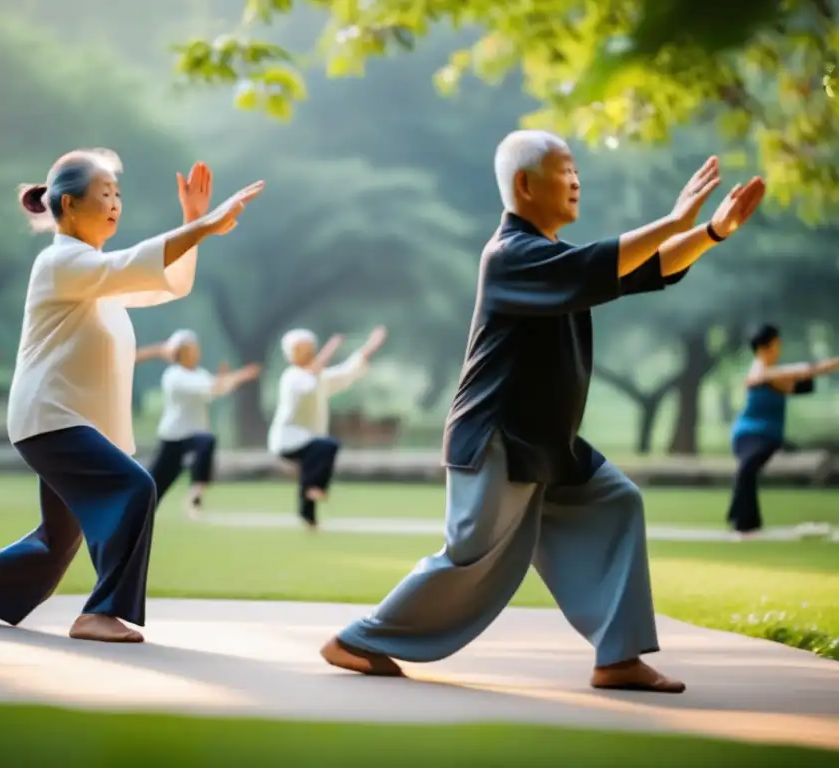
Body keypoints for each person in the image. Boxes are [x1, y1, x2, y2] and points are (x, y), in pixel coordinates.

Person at [320, 130, 766, 692]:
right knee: (470, 558)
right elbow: (610, 262)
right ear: (526, 185)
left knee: (615, 503)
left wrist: (710, 232)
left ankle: (618, 658)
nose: (577, 180)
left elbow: (639, 268)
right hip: (499, 439)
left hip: (550, 443)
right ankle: (360, 639)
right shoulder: (511, 257)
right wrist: (675, 221)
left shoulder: (552, 259)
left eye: (578, 170)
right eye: (566, 169)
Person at [0, 149, 264, 643]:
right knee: (136, 488)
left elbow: (161, 285)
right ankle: (99, 614)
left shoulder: (95, 272)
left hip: (66, 421)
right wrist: (204, 226)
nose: (114, 204)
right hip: (52, 418)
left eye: (117, 195)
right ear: (66, 205)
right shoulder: (61, 263)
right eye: (103, 194)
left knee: (57, 539)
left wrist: (194, 224)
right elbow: (135, 264)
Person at [268, 326, 387, 529]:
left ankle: (308, 517)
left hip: (308, 441)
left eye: (309, 349)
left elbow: (346, 372)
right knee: (327, 446)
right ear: (291, 354)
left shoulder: (318, 378)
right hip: (289, 440)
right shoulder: (292, 378)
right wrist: (331, 347)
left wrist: (370, 346)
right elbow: (310, 379)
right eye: (301, 350)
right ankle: (316, 487)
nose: (307, 354)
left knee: (312, 464)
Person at [727, 324, 839, 536]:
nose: (780, 348)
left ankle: (743, 522)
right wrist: (804, 370)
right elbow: (776, 374)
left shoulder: (777, 377)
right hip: (747, 432)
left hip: (769, 435)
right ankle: (745, 524)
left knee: (747, 469)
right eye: (776, 344)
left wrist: (827, 366)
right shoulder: (759, 370)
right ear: (764, 347)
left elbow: (807, 375)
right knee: (747, 469)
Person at [137, 329, 260, 518]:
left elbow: (217, 389)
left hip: (194, 434)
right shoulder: (174, 375)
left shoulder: (199, 373)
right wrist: (234, 377)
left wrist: (240, 376)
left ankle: (196, 494)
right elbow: (212, 387)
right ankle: (139, 512)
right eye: (190, 349)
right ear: (179, 352)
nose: (195, 352)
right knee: (157, 483)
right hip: (174, 435)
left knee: (206, 441)